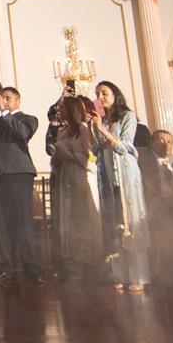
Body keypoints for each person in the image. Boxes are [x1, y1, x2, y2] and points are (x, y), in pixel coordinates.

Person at [0, 85, 42, 282]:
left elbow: (23, 133)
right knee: (1, 224)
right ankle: (8, 268)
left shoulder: (28, 119)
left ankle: (32, 269)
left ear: (18, 101)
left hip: (18, 175)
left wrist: (4, 112)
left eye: (8, 98)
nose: (3, 100)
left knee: (23, 221)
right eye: (2, 98)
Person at [89, 80, 148, 291]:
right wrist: (94, 127)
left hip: (125, 175)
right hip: (108, 176)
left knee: (130, 222)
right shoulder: (103, 120)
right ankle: (120, 274)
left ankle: (138, 276)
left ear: (115, 95)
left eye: (104, 93)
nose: (100, 98)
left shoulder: (128, 117)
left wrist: (102, 130)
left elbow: (125, 146)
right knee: (114, 223)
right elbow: (96, 149)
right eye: (97, 94)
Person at [49, 95, 102, 276]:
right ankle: (70, 257)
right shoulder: (62, 130)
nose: (60, 111)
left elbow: (86, 155)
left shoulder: (82, 128)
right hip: (65, 173)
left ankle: (87, 257)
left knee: (82, 213)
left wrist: (67, 151)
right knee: (67, 212)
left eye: (63, 108)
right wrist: (58, 157)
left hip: (79, 173)